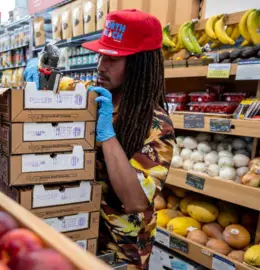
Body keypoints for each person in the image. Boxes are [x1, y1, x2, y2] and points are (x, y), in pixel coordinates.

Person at [81, 9, 175, 269]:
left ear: (138, 65)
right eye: (101, 56)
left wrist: (108, 137)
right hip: (79, 235)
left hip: (119, 252)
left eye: (113, 59)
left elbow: (135, 201)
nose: (101, 66)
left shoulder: (156, 125)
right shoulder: (98, 98)